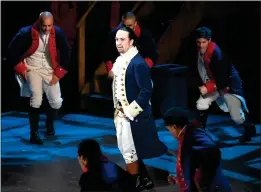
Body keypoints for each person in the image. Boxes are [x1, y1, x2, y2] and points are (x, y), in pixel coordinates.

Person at [111, 26, 167, 191]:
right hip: (121, 114)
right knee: (128, 150)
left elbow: (146, 90)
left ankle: (132, 185)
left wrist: (129, 112)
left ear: (131, 41)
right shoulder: (122, 59)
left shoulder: (138, 63)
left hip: (132, 116)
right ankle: (144, 179)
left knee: (130, 153)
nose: (118, 43)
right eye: (116, 39)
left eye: (122, 39)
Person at [8, 11, 71, 144]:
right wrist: (21, 67)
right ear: (39, 22)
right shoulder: (26, 32)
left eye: (49, 26)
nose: (46, 29)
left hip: (49, 69)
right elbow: (11, 49)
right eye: (44, 26)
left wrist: (58, 73)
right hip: (32, 68)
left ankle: (49, 123)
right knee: (36, 98)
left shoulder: (58, 33)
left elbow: (66, 51)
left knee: (56, 102)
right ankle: (34, 133)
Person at [192, 26, 256, 143]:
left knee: (236, 115)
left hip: (228, 84)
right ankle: (199, 134)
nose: (201, 45)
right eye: (198, 42)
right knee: (202, 105)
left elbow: (223, 78)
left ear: (209, 40)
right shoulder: (200, 51)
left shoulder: (217, 54)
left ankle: (249, 128)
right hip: (213, 82)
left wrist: (208, 87)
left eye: (203, 42)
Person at [163, 107, 232, 192]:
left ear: (174, 127)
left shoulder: (189, 140)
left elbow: (212, 152)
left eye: (169, 129)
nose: (170, 133)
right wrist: (178, 178)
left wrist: (199, 181)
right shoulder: (190, 133)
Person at [104, 12, 159, 78]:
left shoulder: (145, 36)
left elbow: (153, 55)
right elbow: (108, 56)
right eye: (124, 26)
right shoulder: (113, 35)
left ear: (135, 24)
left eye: (130, 26)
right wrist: (111, 70)